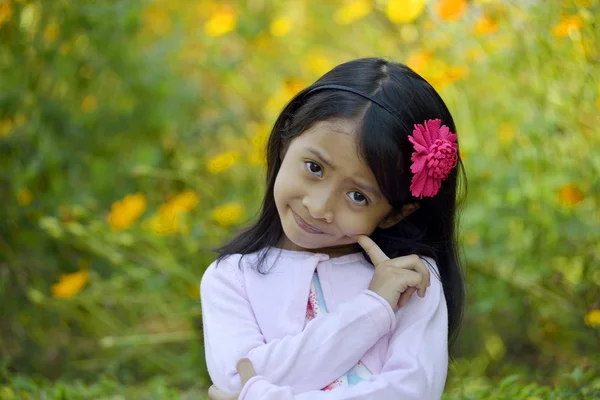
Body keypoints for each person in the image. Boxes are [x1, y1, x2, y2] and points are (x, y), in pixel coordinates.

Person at [200, 57, 466, 400]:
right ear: (285, 143)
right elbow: (237, 380)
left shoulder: (410, 280)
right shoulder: (231, 279)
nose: (319, 207)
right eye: (314, 167)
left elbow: (410, 392)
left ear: (394, 214)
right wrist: (373, 308)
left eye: (358, 196)